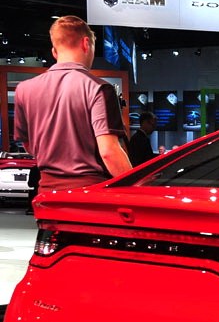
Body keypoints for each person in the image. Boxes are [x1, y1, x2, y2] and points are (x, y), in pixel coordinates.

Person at [13, 15, 131, 193]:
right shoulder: (99, 88)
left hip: (47, 193)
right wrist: (137, 188)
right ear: (86, 44)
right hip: (89, 194)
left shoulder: (23, 89)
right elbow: (109, 152)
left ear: (54, 51)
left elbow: (28, 145)